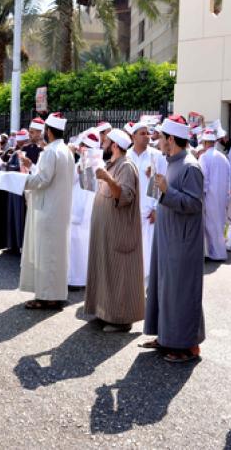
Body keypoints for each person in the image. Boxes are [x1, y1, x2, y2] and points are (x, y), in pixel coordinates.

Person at [142, 115, 205, 363]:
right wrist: (155, 183)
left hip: (183, 240)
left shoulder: (191, 166)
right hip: (166, 234)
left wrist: (167, 190)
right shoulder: (168, 161)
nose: (157, 141)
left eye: (160, 138)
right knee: (162, 286)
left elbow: (194, 203)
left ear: (171, 139)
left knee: (180, 291)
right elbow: (162, 193)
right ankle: (166, 336)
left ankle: (187, 346)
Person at [85, 129, 145, 332]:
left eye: (106, 141)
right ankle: (104, 312)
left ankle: (121, 320)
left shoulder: (126, 167)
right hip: (106, 235)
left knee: (119, 276)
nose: (102, 143)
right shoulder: (112, 165)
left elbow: (125, 196)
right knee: (105, 273)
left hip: (119, 234)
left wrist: (109, 180)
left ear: (115, 146)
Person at [18, 113, 75, 310]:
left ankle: (45, 297)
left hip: (48, 209)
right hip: (59, 209)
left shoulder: (51, 151)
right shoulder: (66, 150)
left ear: (48, 131)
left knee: (45, 254)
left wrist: (19, 180)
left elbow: (43, 180)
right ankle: (55, 294)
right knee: (56, 254)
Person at [126, 122, 167, 289]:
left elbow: (163, 182)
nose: (146, 136)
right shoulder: (127, 155)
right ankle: (132, 287)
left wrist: (158, 208)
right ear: (133, 136)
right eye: (142, 133)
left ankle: (149, 289)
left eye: (147, 133)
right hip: (130, 210)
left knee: (149, 252)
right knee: (131, 249)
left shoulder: (156, 156)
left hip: (149, 211)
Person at [67, 130, 101, 290]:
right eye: (82, 146)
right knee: (74, 243)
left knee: (85, 243)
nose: (82, 149)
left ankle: (85, 279)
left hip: (89, 209)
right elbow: (69, 180)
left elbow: (90, 184)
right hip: (75, 207)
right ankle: (74, 279)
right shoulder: (78, 163)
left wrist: (83, 168)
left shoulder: (98, 164)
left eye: (86, 147)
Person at [6, 128, 43, 255]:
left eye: (33, 132)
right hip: (21, 187)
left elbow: (40, 172)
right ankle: (17, 245)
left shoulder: (43, 150)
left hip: (32, 187)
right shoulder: (21, 150)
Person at [198, 129, 231, 262]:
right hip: (222, 196)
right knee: (219, 223)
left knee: (210, 225)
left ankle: (212, 253)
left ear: (205, 143)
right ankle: (219, 252)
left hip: (209, 196)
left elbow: (203, 177)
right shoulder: (223, 157)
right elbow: (229, 177)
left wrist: (202, 194)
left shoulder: (204, 157)